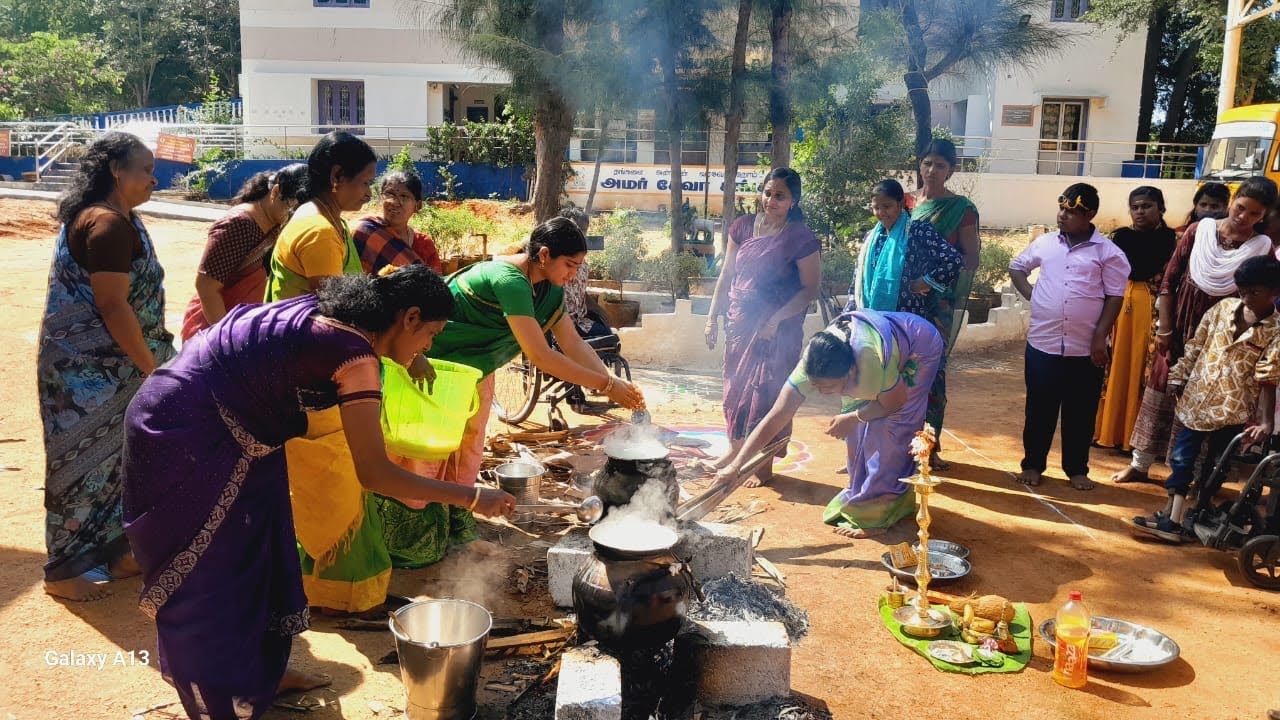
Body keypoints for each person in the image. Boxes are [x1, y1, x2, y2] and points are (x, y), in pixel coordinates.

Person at [122, 266, 518, 720]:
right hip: (188, 430)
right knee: (215, 569)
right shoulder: (356, 357)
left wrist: (414, 357)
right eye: (429, 334)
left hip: (236, 432)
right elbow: (374, 473)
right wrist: (470, 497)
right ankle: (218, 699)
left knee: (260, 552)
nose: (428, 345)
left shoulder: (340, 318)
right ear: (408, 319)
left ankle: (260, 675)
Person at [375, 217, 646, 567]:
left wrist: (613, 384)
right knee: (427, 452)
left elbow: (572, 342)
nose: (573, 275)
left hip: (475, 372)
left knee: (467, 451)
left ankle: (456, 524)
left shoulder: (550, 290)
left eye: (578, 267)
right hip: (432, 366)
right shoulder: (509, 280)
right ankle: (410, 540)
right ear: (545, 255)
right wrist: (608, 385)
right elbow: (541, 355)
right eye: (569, 265)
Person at [37, 132, 177, 602]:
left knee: (124, 463)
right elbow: (114, 306)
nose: (153, 179)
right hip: (87, 377)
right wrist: (152, 368)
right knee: (80, 467)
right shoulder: (106, 225)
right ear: (117, 170)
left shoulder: (120, 219)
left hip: (116, 371)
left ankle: (119, 555)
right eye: (144, 170)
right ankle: (62, 571)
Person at [716, 311, 945, 538]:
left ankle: (877, 513)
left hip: (919, 346)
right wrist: (736, 465)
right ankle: (864, 494)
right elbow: (777, 415)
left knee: (891, 430)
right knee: (856, 431)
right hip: (883, 350)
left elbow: (895, 403)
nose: (823, 393)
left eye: (829, 387)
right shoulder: (812, 363)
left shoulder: (870, 360)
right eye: (817, 386)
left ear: (851, 372)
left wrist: (855, 417)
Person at [1111, 177, 1278, 484]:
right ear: (1233, 199)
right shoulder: (1197, 232)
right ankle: (1140, 464)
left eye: (1254, 214)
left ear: (1263, 216)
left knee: (1206, 401)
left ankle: (1191, 477)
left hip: (1222, 340)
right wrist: (1165, 328)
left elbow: (1263, 294)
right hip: (1180, 327)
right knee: (1161, 389)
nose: (1243, 218)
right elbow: (1169, 282)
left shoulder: (1261, 247)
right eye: (1240, 208)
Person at [1132, 255, 1280, 542]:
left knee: (1215, 464)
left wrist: (1264, 422)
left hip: (1232, 409)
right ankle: (1171, 518)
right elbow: (1196, 346)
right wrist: (1178, 376)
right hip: (1197, 402)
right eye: (1242, 291)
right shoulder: (1222, 309)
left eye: (1255, 293)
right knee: (1182, 458)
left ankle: (1199, 510)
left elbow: (1268, 379)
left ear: (1274, 292)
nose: (1247, 298)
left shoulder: (1275, 331)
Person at [704, 167, 821, 487]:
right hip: (740, 324)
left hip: (777, 331)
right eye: (768, 193)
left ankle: (763, 465)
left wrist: (774, 320)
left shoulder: (801, 238)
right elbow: (727, 274)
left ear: (793, 201)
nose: (771, 200)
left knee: (765, 393)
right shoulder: (742, 227)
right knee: (735, 388)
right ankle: (735, 449)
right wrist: (713, 316)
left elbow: (809, 290)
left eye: (780, 196)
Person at [1009, 184, 1130, 491]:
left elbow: (1115, 297)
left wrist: (1099, 336)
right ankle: (1033, 465)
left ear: (1089, 215)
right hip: (1043, 344)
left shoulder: (1108, 253)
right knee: (1039, 409)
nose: (1062, 216)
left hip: (1085, 349)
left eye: (1071, 212)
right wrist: (1033, 296)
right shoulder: (1046, 243)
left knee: (1081, 411)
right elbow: (1017, 267)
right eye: (1061, 209)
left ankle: (1077, 468)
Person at [908, 139, 981, 468]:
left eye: (940, 165)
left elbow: (971, 259)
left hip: (937, 304)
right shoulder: (907, 203)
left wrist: (933, 283)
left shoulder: (961, 209)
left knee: (932, 371)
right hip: (903, 299)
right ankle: (896, 440)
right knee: (897, 367)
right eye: (927, 163)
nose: (932, 170)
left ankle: (929, 447)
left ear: (951, 170)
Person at [180, 164, 307, 341]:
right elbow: (206, 286)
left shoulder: (274, 224)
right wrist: (223, 339)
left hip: (241, 328)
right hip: (213, 332)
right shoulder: (239, 224)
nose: (295, 215)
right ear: (276, 192)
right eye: (292, 208)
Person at [1093, 187, 1178, 450]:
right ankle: (1107, 432)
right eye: (1135, 207)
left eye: (1147, 206)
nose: (1140, 211)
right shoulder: (1120, 238)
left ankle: (1136, 438)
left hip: (1153, 310)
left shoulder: (1171, 240)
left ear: (1161, 208)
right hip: (1118, 307)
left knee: (1143, 368)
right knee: (1114, 364)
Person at [265, 130, 378, 301]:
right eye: (365, 183)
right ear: (337, 176)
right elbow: (335, 310)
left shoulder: (325, 218)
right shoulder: (320, 233)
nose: (369, 194)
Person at [351, 169, 443, 276]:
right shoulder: (364, 232)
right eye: (389, 194)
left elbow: (435, 286)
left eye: (404, 196)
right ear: (381, 198)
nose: (394, 202)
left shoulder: (424, 245)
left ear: (417, 205)